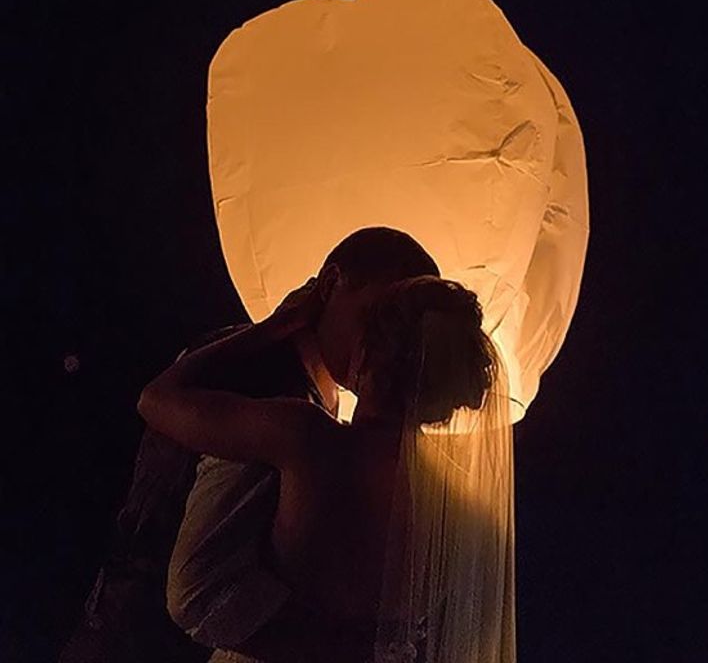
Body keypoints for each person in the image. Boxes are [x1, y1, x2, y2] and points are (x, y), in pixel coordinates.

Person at [58, 226, 440, 663]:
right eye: (377, 316)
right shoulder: (257, 374)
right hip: (140, 633)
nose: (386, 340)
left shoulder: (326, 405)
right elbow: (185, 559)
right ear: (332, 285)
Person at [140, 253, 515, 661]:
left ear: (367, 355)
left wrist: (269, 329)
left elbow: (156, 400)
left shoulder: (305, 438)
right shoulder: (461, 508)